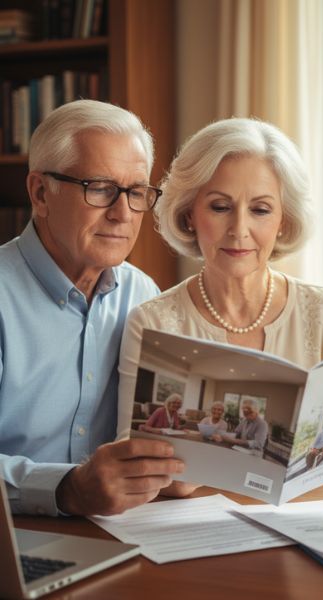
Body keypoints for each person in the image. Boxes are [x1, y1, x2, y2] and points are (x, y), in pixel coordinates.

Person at [117, 117, 323, 493]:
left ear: (283, 220)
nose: (239, 229)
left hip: (309, 526)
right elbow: (130, 463)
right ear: (189, 213)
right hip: (197, 533)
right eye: (220, 206)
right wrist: (175, 476)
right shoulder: (150, 321)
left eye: (261, 210)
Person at [0, 99, 187, 516]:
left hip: (121, 533)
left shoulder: (143, 294)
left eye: (136, 192)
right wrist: (66, 489)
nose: (122, 213)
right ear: (40, 193)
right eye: (100, 188)